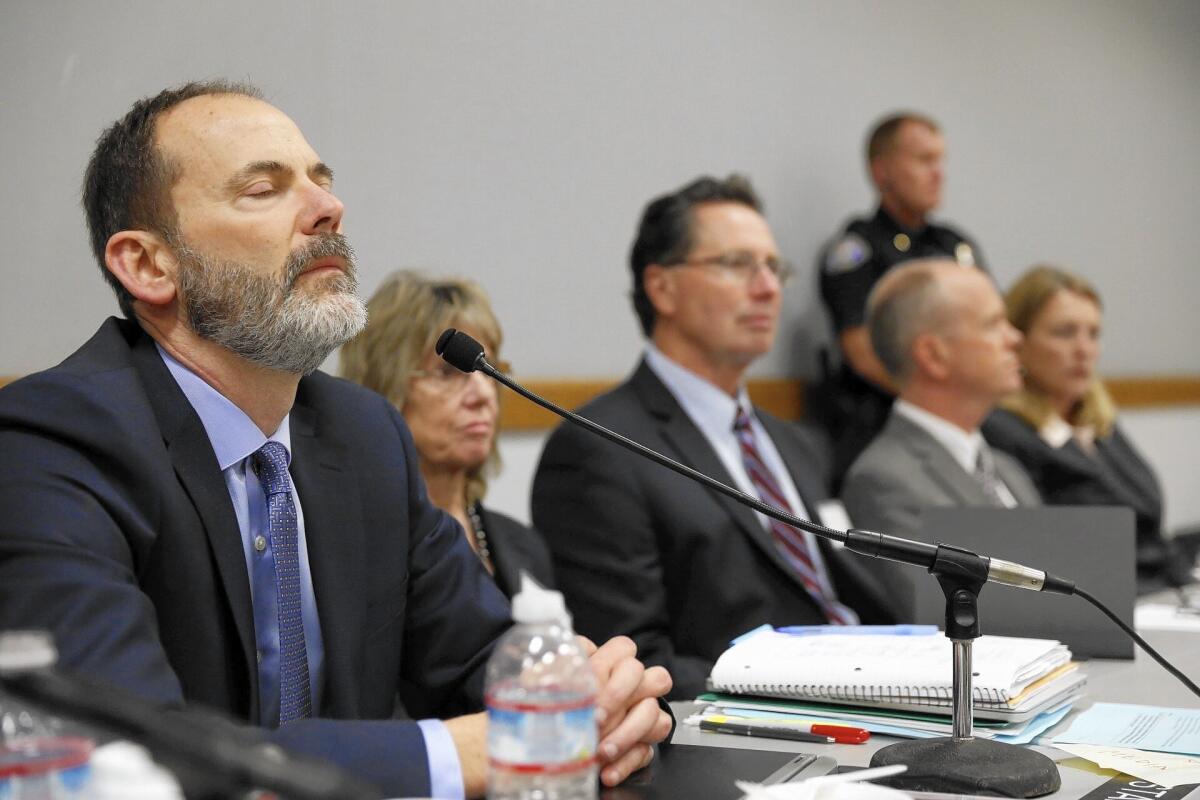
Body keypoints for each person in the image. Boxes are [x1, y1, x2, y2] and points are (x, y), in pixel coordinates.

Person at [0, 80, 670, 798]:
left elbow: (482, 652)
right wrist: (489, 748)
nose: (328, 208)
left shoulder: (365, 433)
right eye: (263, 189)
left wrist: (591, 698)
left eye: (323, 182)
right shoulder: (53, 440)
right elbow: (125, 751)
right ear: (148, 265)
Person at [532, 175, 893, 699]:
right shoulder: (597, 448)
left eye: (773, 267)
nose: (768, 288)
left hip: (884, 693)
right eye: (737, 265)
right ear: (663, 288)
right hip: (760, 732)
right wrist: (823, 686)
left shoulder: (793, 442)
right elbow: (637, 664)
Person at [840, 259, 1041, 620]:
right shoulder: (883, 478)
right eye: (993, 324)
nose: (1015, 338)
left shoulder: (1007, 467)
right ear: (934, 355)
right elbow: (947, 617)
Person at [340, 270, 553, 599]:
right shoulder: (355, 543)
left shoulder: (525, 546)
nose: (482, 394)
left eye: (489, 371)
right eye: (448, 373)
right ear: (384, 385)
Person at [816, 113, 986, 485]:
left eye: (940, 160)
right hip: (887, 425)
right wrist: (944, 400)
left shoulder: (955, 246)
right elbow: (861, 351)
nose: (938, 173)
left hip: (970, 421)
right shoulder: (858, 251)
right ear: (882, 173)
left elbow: (992, 326)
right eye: (924, 160)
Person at [981, 266, 1175, 587]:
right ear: (1018, 339)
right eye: (1065, 332)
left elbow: (1148, 518)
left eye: (1093, 334)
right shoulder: (1004, 430)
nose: (1084, 350)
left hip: (1162, 592)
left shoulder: (1098, 424)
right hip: (1103, 597)